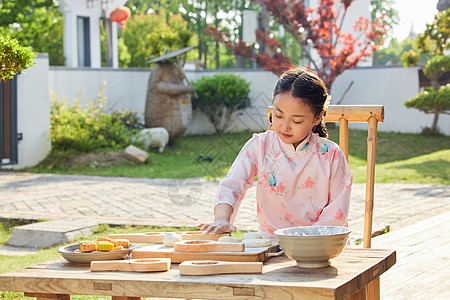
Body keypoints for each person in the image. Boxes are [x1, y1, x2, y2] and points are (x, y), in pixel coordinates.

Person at [198, 66, 352, 239]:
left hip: (318, 243)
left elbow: (336, 213)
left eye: (297, 120)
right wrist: (221, 219)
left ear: (317, 117)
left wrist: (306, 242)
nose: (285, 126)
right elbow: (233, 184)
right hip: (271, 240)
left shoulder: (331, 154)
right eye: (278, 115)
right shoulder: (260, 145)